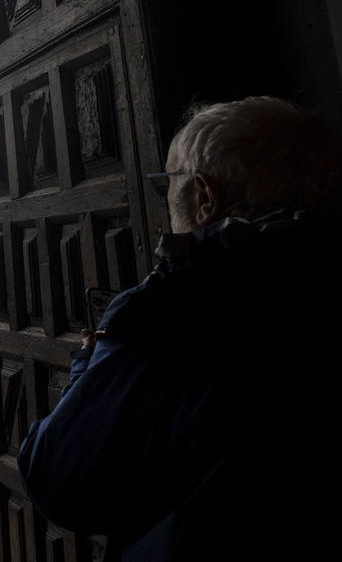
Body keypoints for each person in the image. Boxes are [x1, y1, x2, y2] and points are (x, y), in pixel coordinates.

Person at [18, 96, 340, 560]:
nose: (166, 197)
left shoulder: (173, 308)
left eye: (168, 182)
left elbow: (61, 479)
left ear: (204, 197)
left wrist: (90, 362)